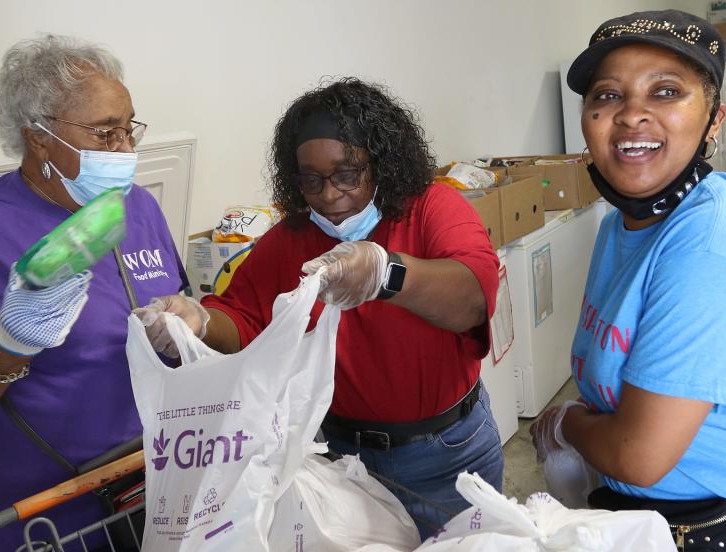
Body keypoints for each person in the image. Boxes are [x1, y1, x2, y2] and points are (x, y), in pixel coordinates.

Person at [530, 10, 726, 550]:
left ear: (715, 119)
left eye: (666, 91)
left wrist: (567, 424)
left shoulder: (712, 245)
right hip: (667, 524)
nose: (632, 115)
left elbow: (639, 453)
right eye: (607, 96)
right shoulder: (623, 225)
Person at [137, 78, 504, 537]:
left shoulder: (431, 209)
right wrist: (200, 321)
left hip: (444, 453)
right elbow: (246, 321)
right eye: (311, 180)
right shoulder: (288, 242)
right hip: (341, 458)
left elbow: (473, 297)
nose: (330, 196)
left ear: (381, 164)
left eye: (347, 174)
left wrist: (385, 272)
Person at [0, 35, 187, 551]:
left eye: (128, 130)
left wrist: (188, 323)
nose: (125, 150)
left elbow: (184, 318)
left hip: (150, 494)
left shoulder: (139, 208)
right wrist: (8, 347)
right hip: (44, 520)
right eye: (105, 134)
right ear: (39, 138)